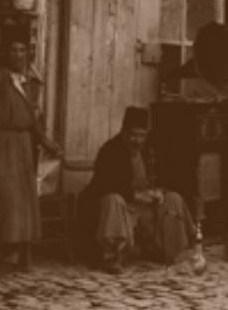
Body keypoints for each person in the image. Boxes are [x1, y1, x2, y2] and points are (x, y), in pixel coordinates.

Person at [0, 38, 60, 270]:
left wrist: (45, 141)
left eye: (22, 50)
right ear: (6, 53)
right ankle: (0, 252)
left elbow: (33, 119)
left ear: (27, 53)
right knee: (5, 198)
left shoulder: (30, 82)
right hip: (1, 142)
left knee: (26, 201)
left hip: (23, 145)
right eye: (13, 49)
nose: (18, 54)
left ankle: (23, 257)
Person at [81, 106, 199, 271]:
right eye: (133, 135)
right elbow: (106, 184)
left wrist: (160, 192)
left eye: (141, 135)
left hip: (143, 206)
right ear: (124, 132)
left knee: (174, 199)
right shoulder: (110, 150)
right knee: (113, 200)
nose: (137, 140)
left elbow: (164, 176)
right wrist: (136, 195)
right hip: (118, 206)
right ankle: (113, 256)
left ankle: (173, 252)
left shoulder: (150, 149)